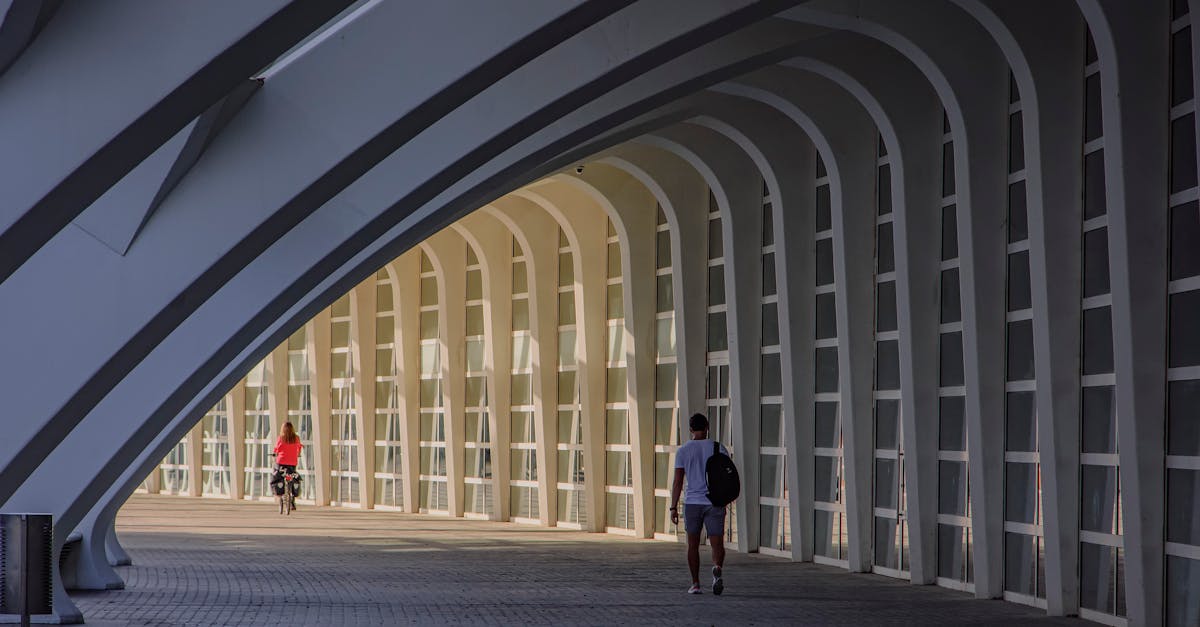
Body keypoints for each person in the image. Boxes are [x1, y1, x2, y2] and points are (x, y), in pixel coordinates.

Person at [670, 413, 728, 595]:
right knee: (717, 543)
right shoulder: (719, 448)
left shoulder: (683, 451)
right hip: (715, 501)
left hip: (692, 503)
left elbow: (678, 481)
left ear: (690, 429)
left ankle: (695, 584)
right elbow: (728, 476)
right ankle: (717, 568)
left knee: (692, 545)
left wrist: (673, 507)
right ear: (707, 427)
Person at [270, 422, 303, 509]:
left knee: (277, 476)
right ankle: (292, 498)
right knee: (292, 476)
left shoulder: (281, 438)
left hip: (281, 462)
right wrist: (297, 454)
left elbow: (276, 449)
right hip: (292, 462)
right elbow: (299, 448)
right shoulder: (296, 438)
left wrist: (274, 454)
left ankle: (279, 494)